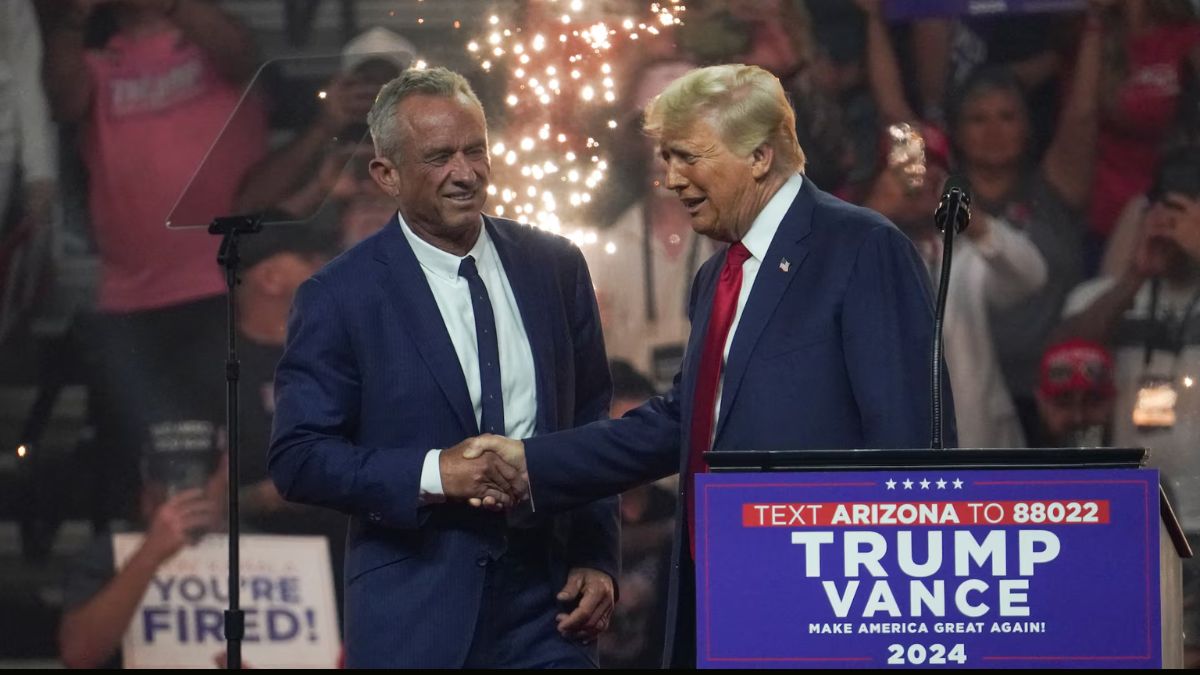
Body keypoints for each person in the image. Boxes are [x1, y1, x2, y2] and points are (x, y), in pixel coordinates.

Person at [463, 63, 954, 667]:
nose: (670, 179)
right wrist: (531, 461)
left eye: (688, 157)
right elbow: (683, 423)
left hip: (832, 600)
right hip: (720, 586)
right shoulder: (716, 275)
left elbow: (913, 445)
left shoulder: (859, 248)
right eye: (665, 159)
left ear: (759, 157)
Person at [266, 67, 618, 668]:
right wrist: (436, 474)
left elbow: (590, 423)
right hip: (415, 614)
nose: (466, 173)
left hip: (549, 607)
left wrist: (596, 554)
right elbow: (298, 458)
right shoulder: (339, 295)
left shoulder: (554, 266)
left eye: (475, 150)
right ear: (387, 174)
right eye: (438, 157)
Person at [41, 0, 266, 524]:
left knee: (236, 451)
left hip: (224, 281)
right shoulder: (98, 58)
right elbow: (61, 101)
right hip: (130, 297)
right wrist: (73, 17)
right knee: (137, 459)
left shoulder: (213, 38)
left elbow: (242, 58)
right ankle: (140, 583)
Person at [59, 420, 225, 669]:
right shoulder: (108, 553)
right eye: (173, 476)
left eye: (200, 476)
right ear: (147, 488)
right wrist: (149, 554)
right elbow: (78, 654)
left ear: (224, 477)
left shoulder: (273, 548)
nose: (189, 489)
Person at [1029, 338, 1117, 447]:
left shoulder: (1141, 462)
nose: (1078, 418)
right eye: (1064, 404)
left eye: (1092, 402)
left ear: (1112, 402)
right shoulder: (1013, 462)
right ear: (1041, 403)